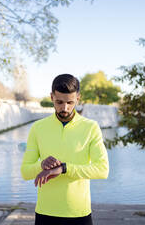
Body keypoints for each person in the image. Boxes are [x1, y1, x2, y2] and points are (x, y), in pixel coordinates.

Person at [20, 73, 109, 225]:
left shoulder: (91, 127)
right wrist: (41, 165)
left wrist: (64, 169)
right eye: (59, 102)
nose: (65, 108)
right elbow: (25, 172)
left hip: (79, 213)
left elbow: (102, 170)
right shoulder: (38, 128)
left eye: (70, 102)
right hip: (45, 213)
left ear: (78, 98)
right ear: (51, 97)